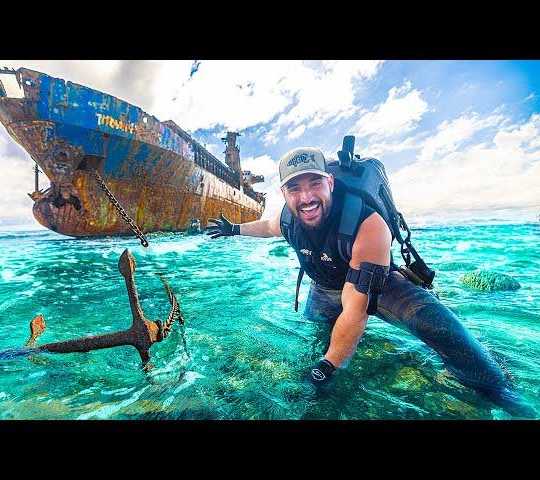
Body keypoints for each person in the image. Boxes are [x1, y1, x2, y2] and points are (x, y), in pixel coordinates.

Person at [206, 146, 535, 417]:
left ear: (330, 183)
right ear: (285, 193)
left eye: (314, 184)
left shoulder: (368, 224)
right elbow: (266, 227)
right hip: (323, 288)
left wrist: (328, 366)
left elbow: (356, 307)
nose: (306, 197)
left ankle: (512, 401)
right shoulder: (289, 217)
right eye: (295, 188)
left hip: (380, 286)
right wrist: (234, 229)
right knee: (315, 333)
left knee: (449, 338)